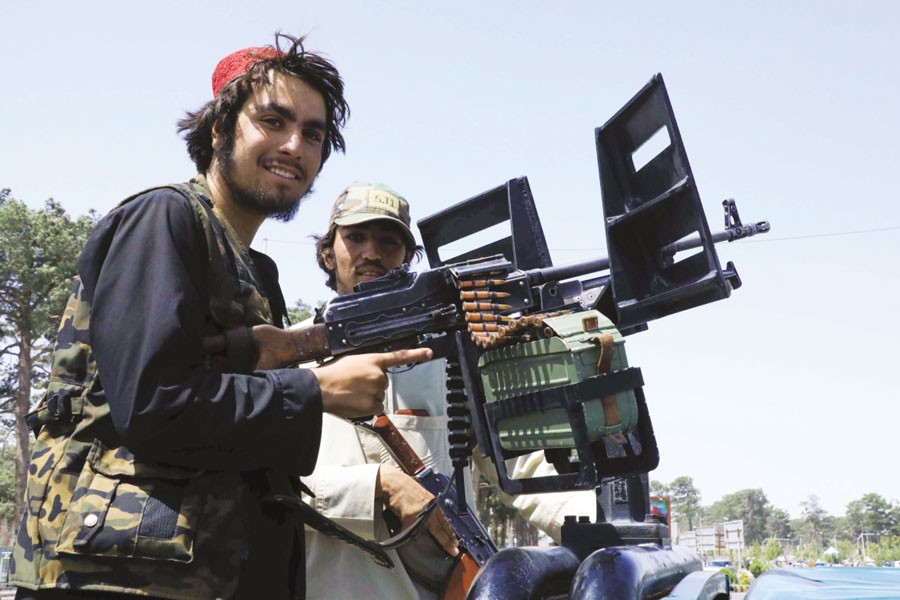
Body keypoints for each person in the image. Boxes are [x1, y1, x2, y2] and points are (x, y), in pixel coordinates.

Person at [11, 34, 430, 600]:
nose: (294, 145)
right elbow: (153, 404)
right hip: (122, 574)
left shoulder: (254, 269)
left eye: (313, 134)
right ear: (219, 129)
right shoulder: (163, 218)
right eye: (274, 121)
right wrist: (313, 391)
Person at [301, 182, 596, 599]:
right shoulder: (286, 361)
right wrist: (378, 486)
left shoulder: (442, 360)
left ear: (407, 259)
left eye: (389, 241)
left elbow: (522, 467)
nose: (372, 252)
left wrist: (605, 529)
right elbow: (257, 482)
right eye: (355, 237)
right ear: (328, 252)